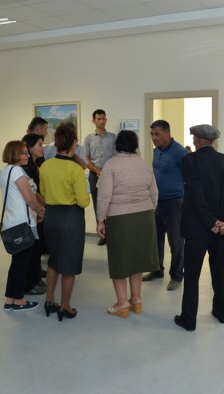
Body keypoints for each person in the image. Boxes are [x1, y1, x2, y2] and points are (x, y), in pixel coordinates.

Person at [174, 124, 224, 332]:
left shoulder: (189, 161)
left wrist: (211, 222)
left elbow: (197, 196)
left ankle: (189, 319)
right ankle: (222, 312)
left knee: (192, 274)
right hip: (221, 231)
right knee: (219, 272)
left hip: (197, 229)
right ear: (213, 140)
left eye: (194, 138)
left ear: (197, 140)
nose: (193, 141)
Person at [96, 130, 159, 318]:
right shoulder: (143, 164)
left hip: (120, 217)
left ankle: (122, 304)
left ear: (117, 145)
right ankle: (136, 300)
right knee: (137, 258)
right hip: (145, 216)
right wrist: (147, 210)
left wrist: (101, 219)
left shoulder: (111, 165)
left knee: (120, 259)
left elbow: (104, 196)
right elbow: (154, 193)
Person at [39, 124, 91, 321]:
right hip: (71, 219)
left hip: (51, 217)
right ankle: (65, 306)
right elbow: (83, 201)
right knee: (69, 264)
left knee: (53, 260)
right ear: (73, 144)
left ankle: (49, 300)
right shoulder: (75, 169)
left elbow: (43, 193)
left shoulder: (45, 166)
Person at [143, 120, 188, 291]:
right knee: (156, 240)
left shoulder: (180, 152)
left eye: (157, 134)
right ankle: (157, 270)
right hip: (157, 202)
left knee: (176, 242)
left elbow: (190, 178)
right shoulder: (157, 151)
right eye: (152, 134)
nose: (154, 138)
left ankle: (176, 276)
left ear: (167, 133)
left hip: (174, 203)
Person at [1, 141, 45, 311]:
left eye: (27, 153)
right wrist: (40, 209)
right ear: (14, 154)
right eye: (24, 153)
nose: (27, 156)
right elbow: (29, 198)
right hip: (23, 224)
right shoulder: (17, 171)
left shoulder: (7, 170)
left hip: (12, 223)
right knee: (21, 264)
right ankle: (19, 300)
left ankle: (10, 299)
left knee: (17, 262)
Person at [83, 109, 117, 245]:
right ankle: (102, 235)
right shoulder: (89, 138)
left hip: (110, 175)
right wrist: (98, 171)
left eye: (103, 118)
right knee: (98, 204)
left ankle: (113, 233)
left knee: (112, 203)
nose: (102, 121)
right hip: (94, 175)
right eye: (99, 119)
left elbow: (117, 156)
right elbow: (85, 158)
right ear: (93, 121)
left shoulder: (113, 138)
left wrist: (107, 172)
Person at [21, 133, 47, 295]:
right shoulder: (26, 168)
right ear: (30, 148)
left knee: (37, 247)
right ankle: (30, 281)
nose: (42, 148)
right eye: (39, 145)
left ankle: (35, 277)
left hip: (38, 210)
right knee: (32, 248)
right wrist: (44, 205)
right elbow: (32, 192)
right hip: (32, 212)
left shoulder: (37, 164)